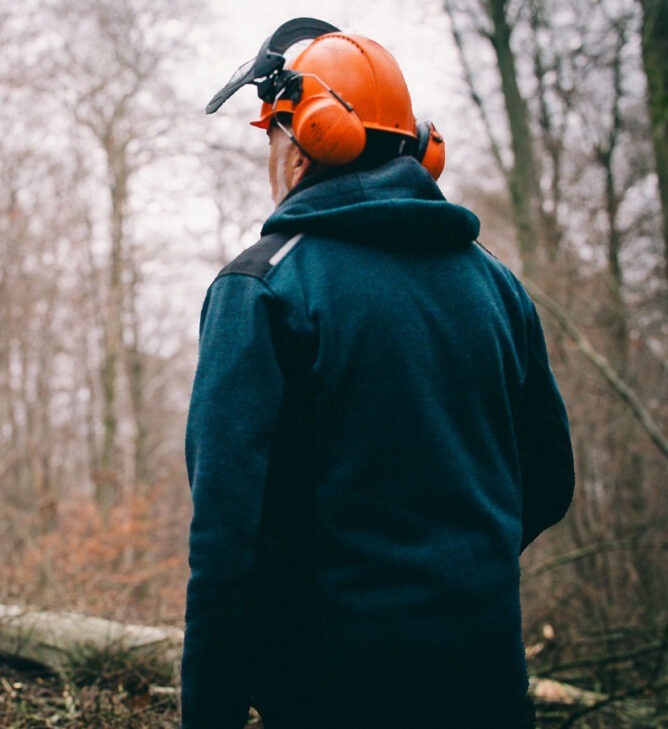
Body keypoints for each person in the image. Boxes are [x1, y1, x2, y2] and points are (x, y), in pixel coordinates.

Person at [184, 18, 574, 729]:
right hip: (488, 683)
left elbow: (225, 547)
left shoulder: (265, 288)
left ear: (304, 142)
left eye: (272, 135)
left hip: (331, 694)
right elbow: (550, 480)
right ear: (419, 147)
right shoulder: (498, 286)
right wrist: (457, 569)